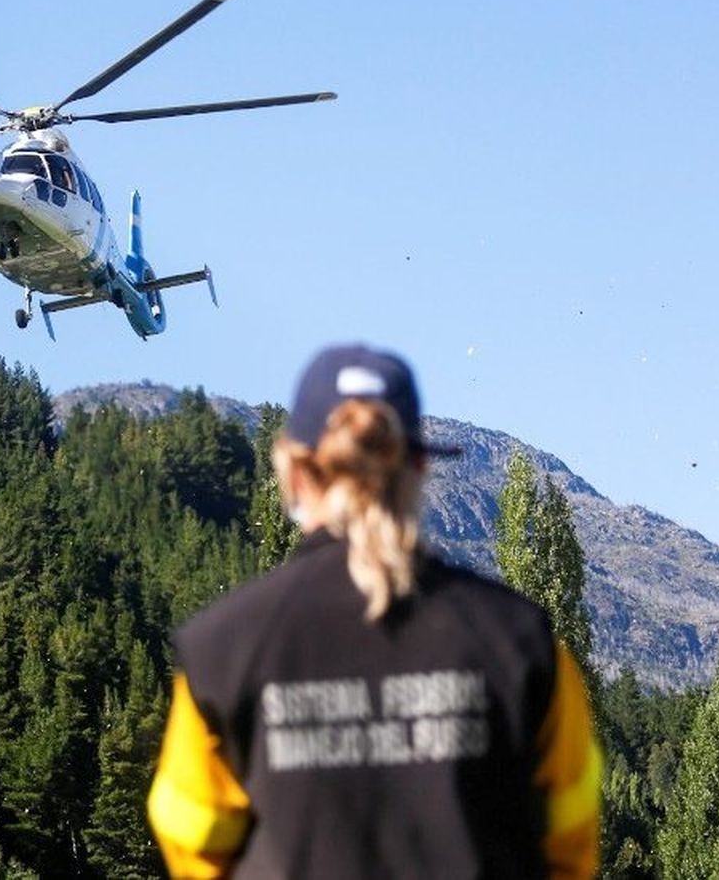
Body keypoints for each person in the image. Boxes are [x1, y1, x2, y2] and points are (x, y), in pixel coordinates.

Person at [147, 345, 601, 878]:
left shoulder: (222, 649)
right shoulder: (523, 643)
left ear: (292, 470)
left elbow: (191, 838)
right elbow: (571, 841)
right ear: (420, 467)